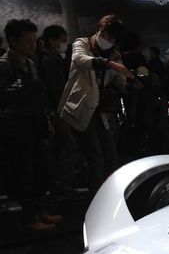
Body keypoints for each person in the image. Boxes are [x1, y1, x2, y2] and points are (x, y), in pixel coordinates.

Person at [58, 14, 136, 197]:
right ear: (100, 30)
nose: (110, 41)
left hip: (101, 110)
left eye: (114, 39)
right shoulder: (82, 43)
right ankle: (95, 196)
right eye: (108, 35)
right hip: (81, 108)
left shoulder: (115, 54)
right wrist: (110, 64)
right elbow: (80, 59)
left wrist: (133, 83)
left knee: (111, 157)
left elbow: (120, 81)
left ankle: (108, 194)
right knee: (96, 157)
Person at [0, 19, 61, 231]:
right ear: (13, 40)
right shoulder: (4, 65)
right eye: (27, 41)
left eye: (34, 40)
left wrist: (46, 119)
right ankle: (29, 217)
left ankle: (39, 210)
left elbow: (37, 99)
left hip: (34, 125)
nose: (33, 45)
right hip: (16, 128)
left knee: (40, 169)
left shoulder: (31, 64)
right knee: (23, 172)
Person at [38, 24, 83, 198]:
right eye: (62, 40)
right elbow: (56, 91)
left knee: (61, 149)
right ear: (51, 40)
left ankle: (58, 185)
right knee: (68, 148)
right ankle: (61, 185)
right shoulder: (49, 61)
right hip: (58, 112)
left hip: (56, 111)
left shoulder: (52, 59)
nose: (65, 44)